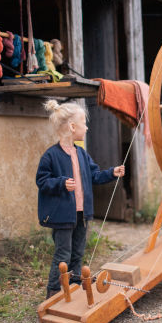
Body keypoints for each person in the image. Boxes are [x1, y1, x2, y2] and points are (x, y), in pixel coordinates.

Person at [36, 100, 125, 299]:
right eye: (84, 122)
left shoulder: (82, 154)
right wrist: (60, 183)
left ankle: (74, 283)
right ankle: (53, 290)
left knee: (78, 251)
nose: (87, 126)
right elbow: (41, 181)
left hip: (81, 214)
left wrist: (112, 172)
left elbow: (95, 176)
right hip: (62, 216)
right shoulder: (50, 156)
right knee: (63, 254)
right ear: (72, 127)